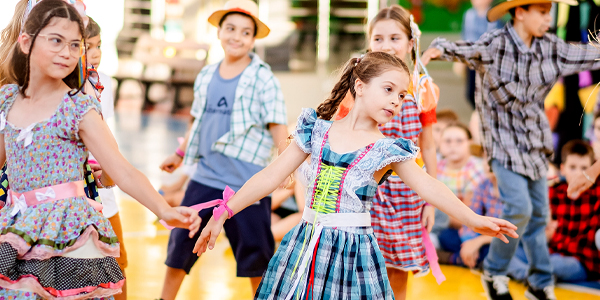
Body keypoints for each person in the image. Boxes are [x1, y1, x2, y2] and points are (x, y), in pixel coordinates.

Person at [193, 51, 518, 300]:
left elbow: (428, 186)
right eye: (389, 89)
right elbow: (268, 177)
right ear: (359, 86)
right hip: (304, 243)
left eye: (402, 94)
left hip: (353, 251)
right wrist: (224, 212)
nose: (396, 99)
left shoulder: (389, 149)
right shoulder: (316, 130)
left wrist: (472, 218)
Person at [0, 0, 200, 298]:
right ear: (26, 42)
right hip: (18, 226)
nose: (66, 53)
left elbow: (122, 169)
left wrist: (164, 209)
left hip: (66, 232)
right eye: (56, 40)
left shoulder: (77, 105)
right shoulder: (8, 100)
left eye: (74, 44)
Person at [421, 0, 600, 298]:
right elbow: (464, 49)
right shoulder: (495, 45)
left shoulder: (550, 47)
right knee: (520, 208)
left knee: (539, 217)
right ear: (520, 12)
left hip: (535, 148)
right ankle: (493, 269)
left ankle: (540, 284)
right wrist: (437, 49)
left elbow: (583, 53)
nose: (549, 18)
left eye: (550, 12)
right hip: (503, 147)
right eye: (542, 13)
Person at [157, 0, 288, 299]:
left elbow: (277, 124)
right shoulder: (206, 76)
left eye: (245, 32)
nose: (236, 37)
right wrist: (179, 155)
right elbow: (197, 121)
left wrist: (284, 164)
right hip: (206, 176)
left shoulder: (263, 78)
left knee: (257, 255)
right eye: (230, 29)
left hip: (248, 183)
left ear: (253, 39)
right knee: (181, 242)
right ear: (219, 32)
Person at [332, 6, 439, 298]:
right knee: (357, 266)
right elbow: (340, 132)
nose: (386, 45)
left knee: (397, 271)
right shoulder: (359, 87)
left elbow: (428, 146)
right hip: (365, 188)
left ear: (410, 43)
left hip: (407, 192)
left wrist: (430, 201)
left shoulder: (423, 89)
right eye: (378, 39)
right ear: (369, 43)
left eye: (395, 38)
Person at [83, 16, 129, 300]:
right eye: (88, 46)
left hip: (104, 190)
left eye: (99, 45)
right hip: (77, 196)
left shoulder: (103, 85)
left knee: (118, 263)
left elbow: (105, 136)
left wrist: (111, 173)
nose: (96, 53)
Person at [433, 122, 486, 250]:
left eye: (459, 141)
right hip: (439, 221)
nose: (453, 146)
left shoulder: (477, 168)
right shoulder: (436, 166)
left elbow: (470, 213)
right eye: (447, 141)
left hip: (465, 226)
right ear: (440, 143)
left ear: (470, 142)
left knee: (447, 237)